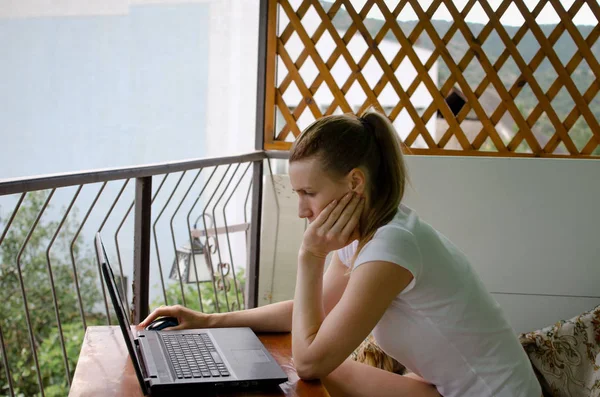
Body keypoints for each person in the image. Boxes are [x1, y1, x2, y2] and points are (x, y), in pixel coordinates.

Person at [139, 109, 542, 397]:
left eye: (309, 194)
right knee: (276, 363)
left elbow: (313, 360)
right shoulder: (364, 234)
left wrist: (309, 257)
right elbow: (310, 309)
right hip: (436, 387)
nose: (302, 210)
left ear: (355, 183)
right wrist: (210, 320)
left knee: (296, 372)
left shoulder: (392, 245)